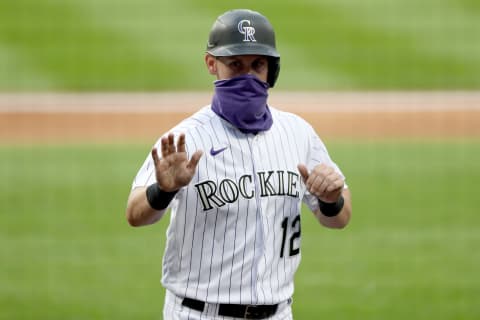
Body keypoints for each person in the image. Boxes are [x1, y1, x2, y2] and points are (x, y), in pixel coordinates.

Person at [126, 8, 352, 320]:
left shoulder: (298, 133)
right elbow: (135, 214)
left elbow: (339, 217)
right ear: (211, 64)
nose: (247, 76)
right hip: (198, 313)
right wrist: (163, 191)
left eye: (256, 65)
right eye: (235, 64)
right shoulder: (184, 141)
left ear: (271, 68)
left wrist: (331, 199)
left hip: (278, 313)